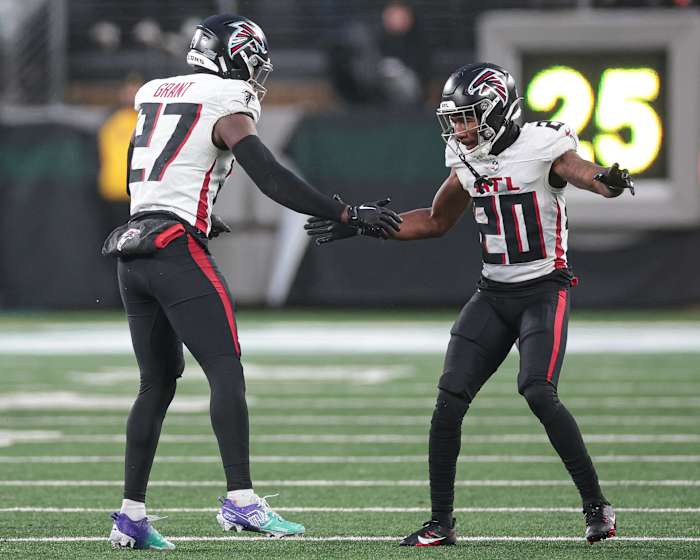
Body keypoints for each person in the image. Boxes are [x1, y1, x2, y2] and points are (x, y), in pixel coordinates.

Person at [305, 62, 634, 546]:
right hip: (494, 292)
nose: (460, 128)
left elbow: (580, 173)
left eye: (468, 116)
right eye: (455, 118)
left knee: (538, 391)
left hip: (545, 287)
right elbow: (436, 220)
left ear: (499, 109)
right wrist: (360, 223)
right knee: (448, 401)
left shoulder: (544, 143)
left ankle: (596, 506)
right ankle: (441, 523)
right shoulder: (467, 156)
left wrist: (605, 180)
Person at [105, 14, 401, 550]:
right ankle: (240, 499)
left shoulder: (153, 91)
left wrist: (195, 206)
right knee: (224, 369)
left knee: (156, 383)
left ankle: (130, 514)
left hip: (133, 250)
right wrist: (345, 213)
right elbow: (269, 175)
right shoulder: (226, 98)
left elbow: (142, 166)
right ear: (235, 55)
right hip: (175, 251)